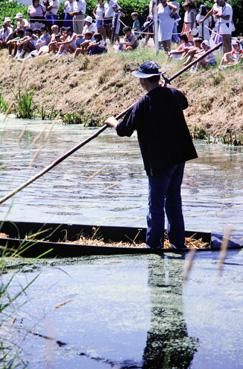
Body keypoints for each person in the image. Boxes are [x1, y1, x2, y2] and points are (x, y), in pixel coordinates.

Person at [105, 61, 198, 249]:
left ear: (143, 81)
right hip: (178, 157)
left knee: (156, 204)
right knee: (173, 200)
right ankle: (177, 243)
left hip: (159, 161)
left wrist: (112, 122)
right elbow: (184, 101)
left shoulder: (143, 103)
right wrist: (168, 86)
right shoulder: (172, 94)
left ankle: (154, 244)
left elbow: (124, 130)